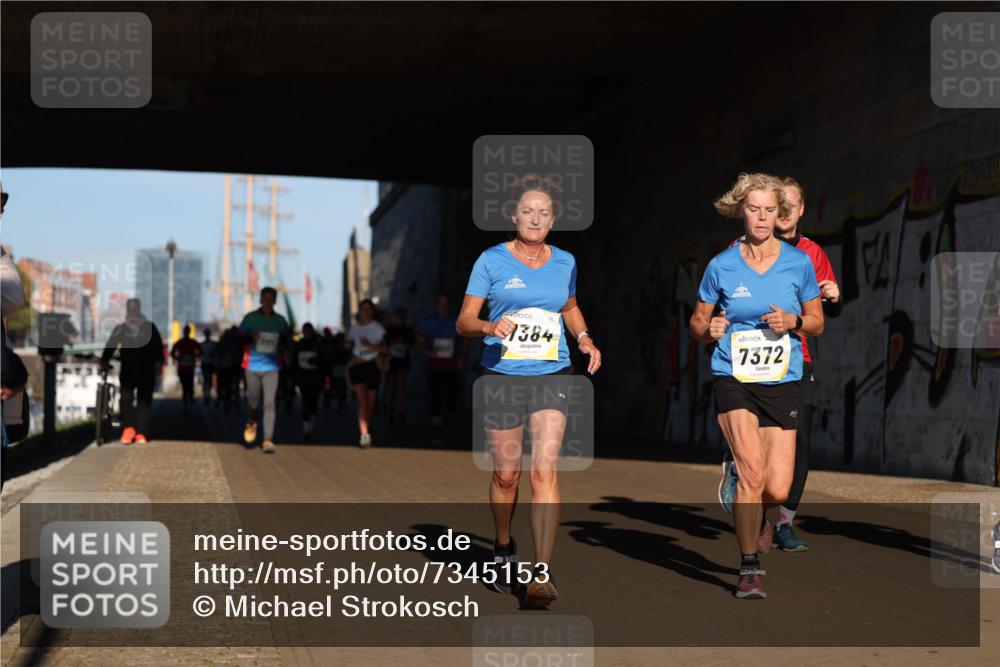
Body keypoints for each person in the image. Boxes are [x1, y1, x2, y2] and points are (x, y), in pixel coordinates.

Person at [457, 174, 602, 609]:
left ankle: (541, 572)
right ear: (513, 216)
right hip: (501, 375)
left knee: (544, 471)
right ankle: (503, 546)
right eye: (528, 211)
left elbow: (570, 306)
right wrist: (488, 325)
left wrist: (584, 338)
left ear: (553, 219)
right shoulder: (491, 261)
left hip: (553, 374)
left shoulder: (565, 262)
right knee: (507, 474)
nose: (535, 218)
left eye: (543, 212)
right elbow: (464, 321)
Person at [689, 172, 824, 599]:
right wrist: (709, 328)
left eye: (770, 210)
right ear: (740, 211)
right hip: (734, 376)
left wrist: (794, 322)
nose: (762, 217)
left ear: (780, 214)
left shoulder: (798, 263)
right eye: (754, 209)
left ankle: (742, 479)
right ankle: (749, 567)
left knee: (778, 487)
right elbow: (696, 323)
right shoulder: (722, 264)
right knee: (753, 472)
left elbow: (817, 322)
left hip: (782, 379)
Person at [101, 298, 164, 445]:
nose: (133, 314)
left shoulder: (149, 328)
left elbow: (158, 349)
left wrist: (158, 365)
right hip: (129, 370)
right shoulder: (122, 328)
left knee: (143, 402)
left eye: (134, 311)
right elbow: (111, 345)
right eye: (131, 311)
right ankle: (129, 429)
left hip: (145, 370)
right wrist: (105, 359)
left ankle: (141, 432)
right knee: (126, 400)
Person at [239, 287, 290, 453]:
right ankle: (251, 421)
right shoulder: (250, 318)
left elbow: (288, 342)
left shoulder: (281, 321)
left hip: (272, 367)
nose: (268, 302)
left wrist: (282, 345)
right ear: (260, 300)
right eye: (265, 299)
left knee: (269, 403)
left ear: (275, 301)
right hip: (252, 365)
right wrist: (249, 337)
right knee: (254, 401)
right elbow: (237, 338)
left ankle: (267, 439)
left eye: (271, 299)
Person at [417, 293, 465, 445]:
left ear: (450, 306)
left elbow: (465, 340)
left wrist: (463, 356)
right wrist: (428, 351)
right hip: (434, 366)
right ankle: (437, 428)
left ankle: (447, 419)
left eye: (446, 304)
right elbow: (419, 341)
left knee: (452, 398)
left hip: (452, 367)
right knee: (435, 397)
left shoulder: (456, 321)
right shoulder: (428, 322)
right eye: (440, 303)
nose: (443, 307)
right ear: (436, 305)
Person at [345, 298, 387, 447]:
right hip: (358, 366)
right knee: (362, 401)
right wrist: (347, 345)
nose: (366, 311)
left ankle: (367, 423)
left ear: (372, 311)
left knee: (370, 402)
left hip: (373, 366)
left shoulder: (379, 329)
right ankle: (364, 434)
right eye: (364, 308)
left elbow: (385, 349)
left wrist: (370, 345)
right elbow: (347, 346)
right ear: (360, 311)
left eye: (369, 308)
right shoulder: (354, 329)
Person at [292, 322, 326, 437]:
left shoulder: (318, 345)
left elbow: (324, 361)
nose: (306, 332)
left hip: (315, 378)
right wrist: (294, 378)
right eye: (304, 330)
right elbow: (294, 362)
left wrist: (322, 377)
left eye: (308, 330)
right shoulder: (298, 345)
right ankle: (306, 426)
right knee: (306, 401)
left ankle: (311, 421)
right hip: (303, 378)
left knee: (314, 401)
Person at [385, 307, 414, 425]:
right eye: (399, 315)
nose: (400, 318)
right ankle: (392, 408)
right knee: (392, 386)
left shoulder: (408, 329)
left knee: (402, 385)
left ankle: (401, 411)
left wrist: (404, 341)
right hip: (391, 360)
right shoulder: (389, 329)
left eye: (402, 315)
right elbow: (384, 342)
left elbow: (412, 343)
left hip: (404, 360)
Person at [171, 324, 201, 414]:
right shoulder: (188, 342)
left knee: (186, 385)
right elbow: (200, 352)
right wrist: (194, 357)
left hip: (186, 368)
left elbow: (172, 353)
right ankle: (189, 399)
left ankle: (188, 399)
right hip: (185, 368)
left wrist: (179, 358)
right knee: (187, 385)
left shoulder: (183, 342)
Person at [200, 328, 217, 406]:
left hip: (211, 364)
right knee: (205, 380)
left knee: (209, 380)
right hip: (205, 364)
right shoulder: (202, 344)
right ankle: (206, 395)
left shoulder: (213, 344)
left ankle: (208, 395)